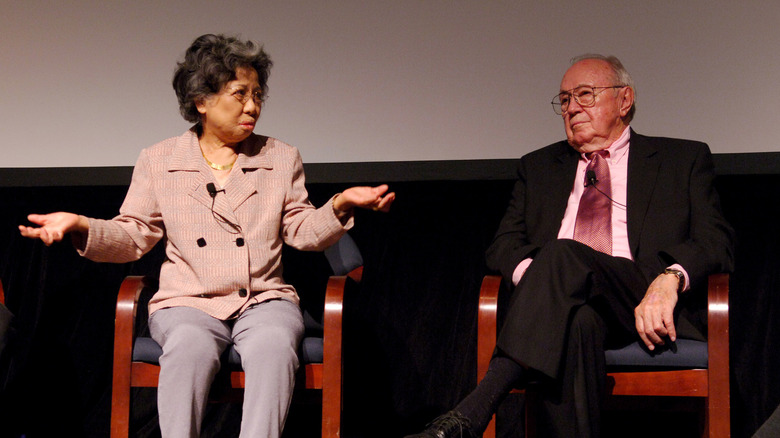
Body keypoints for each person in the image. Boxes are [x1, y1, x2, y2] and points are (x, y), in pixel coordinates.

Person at [19, 33, 395, 438]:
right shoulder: (160, 160)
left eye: (257, 94)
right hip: (187, 301)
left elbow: (301, 230)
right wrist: (81, 224)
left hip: (263, 299)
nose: (253, 106)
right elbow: (134, 235)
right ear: (202, 100)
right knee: (189, 347)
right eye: (239, 94)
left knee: (273, 346)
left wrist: (340, 205)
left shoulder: (280, 158)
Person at [406, 54, 734, 437]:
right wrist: (545, 283)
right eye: (564, 100)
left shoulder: (682, 159)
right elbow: (504, 245)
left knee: (559, 253)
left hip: (642, 295)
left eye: (585, 95)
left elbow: (717, 240)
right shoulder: (539, 167)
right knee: (577, 321)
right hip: (569, 310)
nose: (572, 108)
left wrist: (668, 280)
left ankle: (472, 413)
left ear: (624, 100)